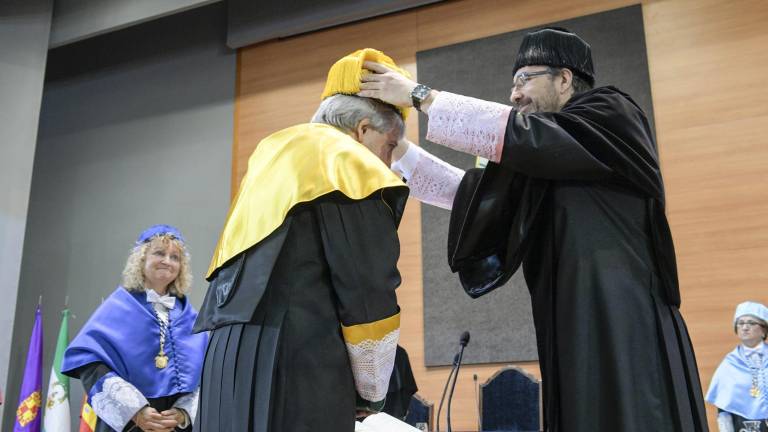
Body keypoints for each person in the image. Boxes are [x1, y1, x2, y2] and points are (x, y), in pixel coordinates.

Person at [360, 27, 708, 431]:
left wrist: (420, 96)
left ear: (564, 78)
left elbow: (525, 137)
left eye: (524, 79)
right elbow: (470, 195)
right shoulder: (544, 157)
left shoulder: (612, 114)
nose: (514, 94)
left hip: (622, 311)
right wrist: (396, 146)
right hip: (569, 315)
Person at [193, 48, 411, 432]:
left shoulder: (272, 152)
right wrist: (372, 390)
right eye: (390, 145)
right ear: (363, 129)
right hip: (297, 360)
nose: (389, 164)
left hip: (225, 361)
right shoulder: (348, 162)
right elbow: (367, 288)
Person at [62, 225, 207, 432]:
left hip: (174, 427)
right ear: (141, 258)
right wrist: (134, 411)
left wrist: (184, 413)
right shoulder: (118, 306)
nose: (167, 261)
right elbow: (88, 362)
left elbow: (205, 373)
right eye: (159, 253)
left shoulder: (190, 316)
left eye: (175, 257)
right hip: (129, 425)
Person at [707, 301, 768, 432]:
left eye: (751, 323)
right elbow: (724, 410)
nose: (745, 327)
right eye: (741, 323)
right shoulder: (729, 365)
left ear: (764, 330)